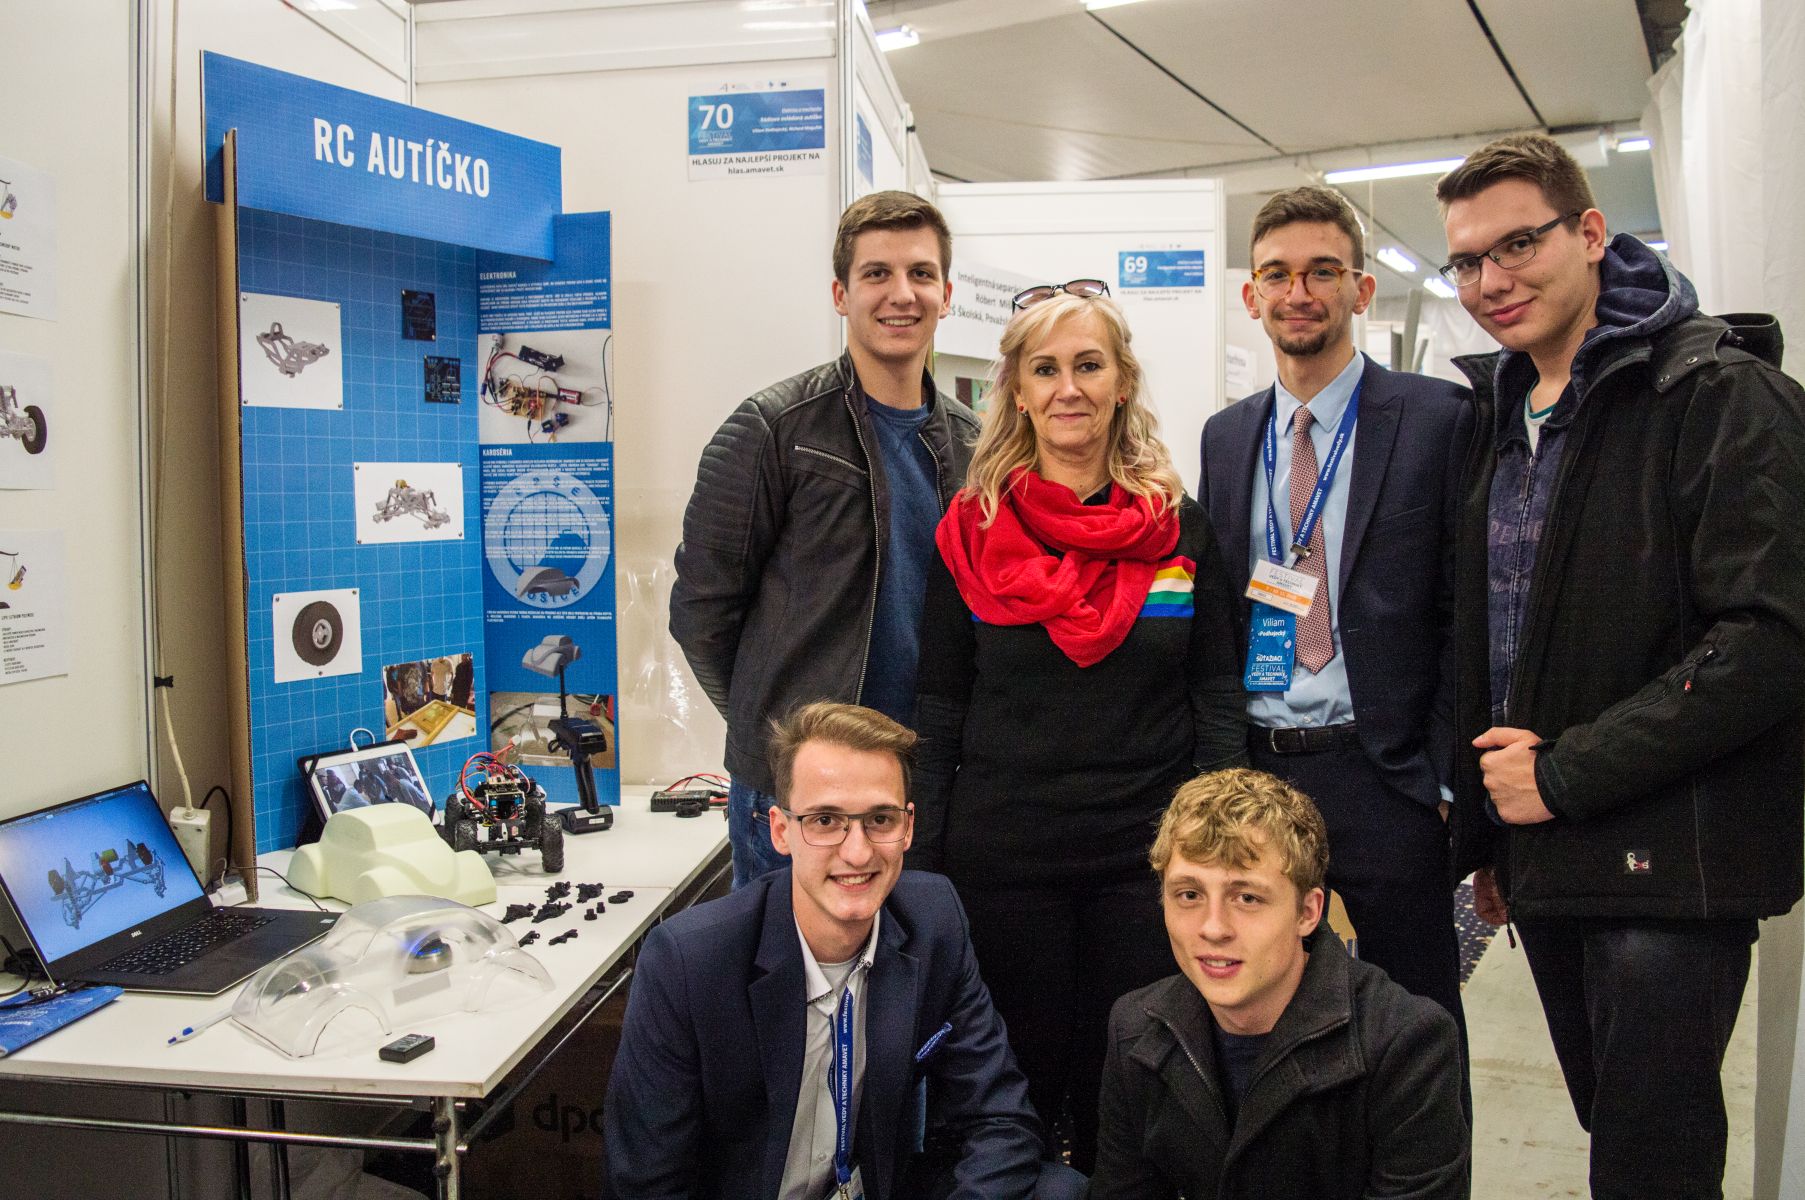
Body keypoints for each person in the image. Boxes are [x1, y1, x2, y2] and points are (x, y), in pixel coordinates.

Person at [1437, 132, 1805, 1199]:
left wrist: (1560, 775)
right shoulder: (1499, 417)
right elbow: (1502, 638)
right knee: (1614, 1127)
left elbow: (1769, 641)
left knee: (1651, 1162)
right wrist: (1492, 837)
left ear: (1591, 232)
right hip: (1547, 847)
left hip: (1669, 863)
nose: (1490, 281)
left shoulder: (1718, 395)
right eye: (1465, 261)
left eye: (1517, 244)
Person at [910, 283, 1246, 1170]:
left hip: (1144, 859)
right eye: (1045, 369)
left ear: (1120, 382)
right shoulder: (969, 532)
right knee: (1014, 1086)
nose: (1068, 388)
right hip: (1004, 861)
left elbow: (1215, 696)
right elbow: (938, 711)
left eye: (1088, 365)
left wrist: (1218, 845)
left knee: (1131, 1088)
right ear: (1016, 390)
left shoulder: (1178, 530)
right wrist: (922, 867)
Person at [603, 702, 1084, 1200]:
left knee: (1059, 1190)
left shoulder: (933, 921)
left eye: (880, 819)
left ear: (908, 827)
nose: (857, 852)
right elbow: (645, 1184)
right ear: (781, 830)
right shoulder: (688, 961)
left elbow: (1001, 1118)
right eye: (826, 820)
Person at [1196, 185, 1472, 1035]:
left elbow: (1465, 612)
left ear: (1360, 288)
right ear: (1252, 297)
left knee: (1416, 1022)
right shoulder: (1226, 437)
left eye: (1322, 271)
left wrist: (1440, 779)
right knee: (1268, 1011)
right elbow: (1221, 615)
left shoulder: (1437, 418)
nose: (1298, 292)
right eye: (1276, 275)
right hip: (1262, 770)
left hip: (1384, 775)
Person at [670, 191, 978, 889]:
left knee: (917, 953)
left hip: (920, 786)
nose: (901, 294)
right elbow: (701, 612)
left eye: (921, 274)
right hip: (799, 796)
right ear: (841, 294)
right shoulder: (774, 429)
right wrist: (780, 741)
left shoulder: (973, 444)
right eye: (876, 274)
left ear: (946, 294)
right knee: (787, 959)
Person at [1090, 768, 1469, 1199]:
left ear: (1308, 913)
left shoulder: (1406, 1045)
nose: (1213, 928)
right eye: (1189, 895)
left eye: (1247, 898)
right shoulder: (1135, 1030)